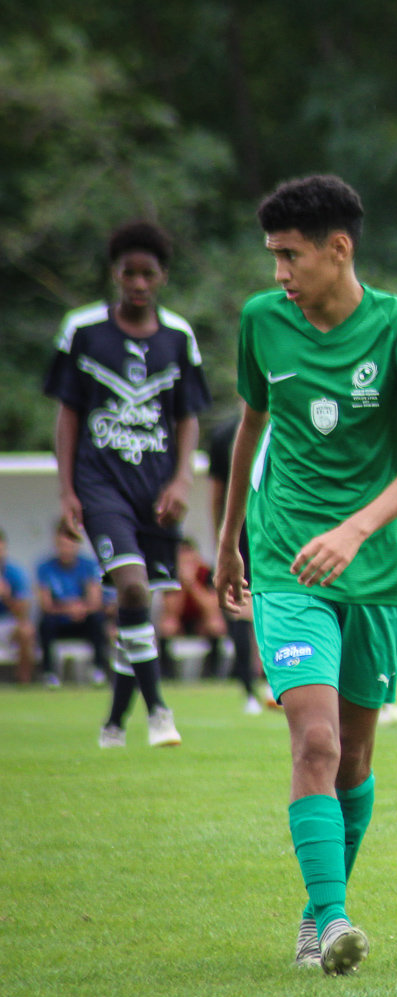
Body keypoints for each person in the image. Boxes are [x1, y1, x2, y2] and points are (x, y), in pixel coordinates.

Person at [214, 175, 397, 977]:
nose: (279, 273)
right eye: (273, 257)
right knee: (313, 741)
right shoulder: (261, 322)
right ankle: (333, 920)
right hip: (287, 562)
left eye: (291, 256)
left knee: (355, 757)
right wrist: (228, 542)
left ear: (338, 249)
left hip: (377, 569)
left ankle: (320, 903)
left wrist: (354, 532)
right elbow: (250, 428)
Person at [44, 220, 208, 747]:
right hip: (99, 483)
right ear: (114, 273)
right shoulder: (83, 330)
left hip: (156, 489)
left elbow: (188, 416)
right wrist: (68, 488)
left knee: (139, 609)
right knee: (133, 588)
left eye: (147, 273)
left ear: (161, 277)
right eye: (128, 272)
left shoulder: (179, 337)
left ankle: (114, 725)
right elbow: (68, 413)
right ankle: (160, 712)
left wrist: (182, 479)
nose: (137, 282)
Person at [207, 413, 278, 714]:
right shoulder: (226, 434)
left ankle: (267, 687)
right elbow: (218, 493)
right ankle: (252, 687)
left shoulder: (281, 421)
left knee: (265, 605)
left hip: (273, 528)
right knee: (242, 606)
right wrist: (224, 543)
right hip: (252, 532)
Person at [35, 518, 111, 690]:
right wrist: (67, 609)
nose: (66, 548)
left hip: (82, 619)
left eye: (70, 543)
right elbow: (45, 604)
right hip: (59, 620)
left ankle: (98, 669)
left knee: (98, 620)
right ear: (56, 543)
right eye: (62, 544)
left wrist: (80, 608)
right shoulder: (45, 567)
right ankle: (49, 673)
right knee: (45, 623)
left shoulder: (88, 565)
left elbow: (95, 600)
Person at [157, 538, 227, 679]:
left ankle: (212, 673)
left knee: (216, 625)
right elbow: (172, 610)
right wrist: (183, 585)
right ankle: (167, 674)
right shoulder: (171, 575)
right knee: (167, 625)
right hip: (180, 620)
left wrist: (192, 584)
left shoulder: (207, 573)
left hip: (201, 620)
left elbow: (211, 608)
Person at [0, 529, 38, 685]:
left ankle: (23, 681)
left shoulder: (16, 573)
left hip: (7, 623)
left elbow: (24, 614)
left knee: (26, 631)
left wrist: (6, 596)